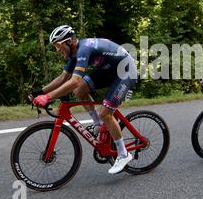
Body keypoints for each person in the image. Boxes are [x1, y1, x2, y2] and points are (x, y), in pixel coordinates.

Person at [30, 25, 138, 174]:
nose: (57, 49)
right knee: (79, 89)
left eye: (58, 45)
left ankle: (123, 154)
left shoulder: (84, 49)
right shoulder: (73, 54)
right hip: (109, 71)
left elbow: (73, 80)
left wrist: (47, 97)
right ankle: (98, 124)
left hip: (126, 71)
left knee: (105, 113)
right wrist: (39, 92)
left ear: (68, 42)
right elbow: (63, 78)